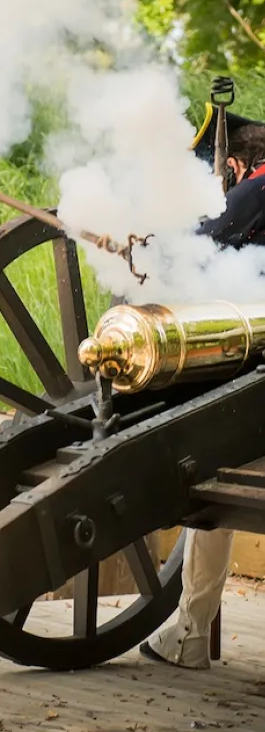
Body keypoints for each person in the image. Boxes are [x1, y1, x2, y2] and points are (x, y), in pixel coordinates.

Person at [140, 118, 265, 668]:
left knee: (208, 460)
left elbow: (202, 241)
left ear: (234, 165)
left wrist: (141, 247)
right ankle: (190, 630)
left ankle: (192, 630)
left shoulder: (257, 187)